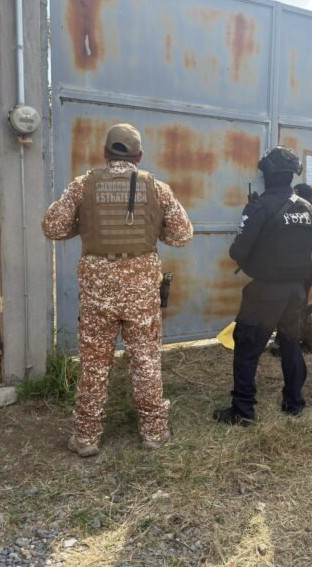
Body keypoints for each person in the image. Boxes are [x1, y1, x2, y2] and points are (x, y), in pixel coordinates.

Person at [42, 123, 193, 457]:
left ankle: (86, 438)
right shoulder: (157, 188)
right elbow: (182, 235)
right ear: (139, 156)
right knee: (146, 361)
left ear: (104, 153)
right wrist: (152, 229)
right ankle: (154, 432)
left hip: (98, 293)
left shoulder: (82, 186)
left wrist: (85, 224)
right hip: (141, 292)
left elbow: (52, 227)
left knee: (94, 365)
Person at [213, 146, 312, 425]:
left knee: (247, 349)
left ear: (267, 174)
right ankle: (294, 403)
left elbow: (237, 251)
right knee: (290, 344)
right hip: (296, 291)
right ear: (291, 174)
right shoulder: (306, 206)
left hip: (265, 292)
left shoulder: (259, 207)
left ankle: (243, 411)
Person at [270, 182, 312, 356]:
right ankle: (307, 343)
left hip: (291, 267)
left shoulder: (288, 212)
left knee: (287, 307)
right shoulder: (310, 213)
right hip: (306, 267)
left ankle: (284, 345)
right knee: (302, 305)